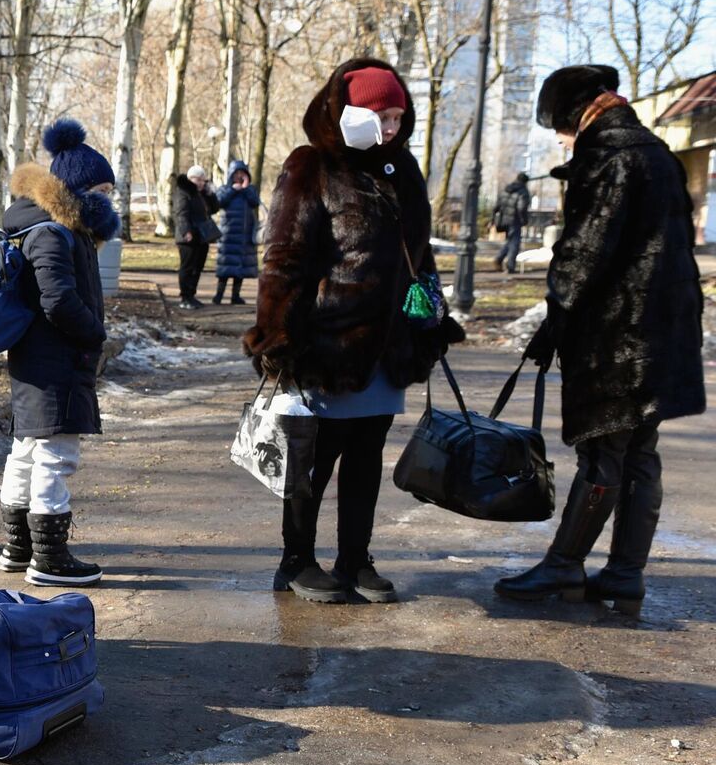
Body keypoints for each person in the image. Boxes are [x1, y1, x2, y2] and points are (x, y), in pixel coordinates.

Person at [243, 59, 464, 605]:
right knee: (314, 462)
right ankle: (296, 560)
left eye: (397, 118)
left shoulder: (404, 170)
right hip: (326, 344)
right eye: (379, 117)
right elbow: (284, 258)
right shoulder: (310, 167)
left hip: (387, 346)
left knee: (367, 459)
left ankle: (353, 559)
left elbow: (422, 258)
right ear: (348, 113)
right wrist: (276, 334)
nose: (390, 129)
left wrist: (432, 321)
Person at [494, 65, 706, 615]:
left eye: (559, 130)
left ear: (577, 116)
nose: (562, 141)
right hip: (663, 332)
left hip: (617, 335)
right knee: (640, 453)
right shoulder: (657, 153)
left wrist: (557, 317)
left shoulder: (607, 159)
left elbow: (585, 252)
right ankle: (624, 575)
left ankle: (564, 566)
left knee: (602, 453)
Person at [0, 120, 118, 586]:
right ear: (78, 190)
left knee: (27, 448)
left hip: (35, 359)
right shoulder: (52, 232)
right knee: (54, 454)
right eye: (102, 190)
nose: (108, 201)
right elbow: (58, 300)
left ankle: (18, 547)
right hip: (56, 360)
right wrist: (94, 335)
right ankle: (49, 557)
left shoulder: (44, 227)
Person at [170, 164, 221, 310]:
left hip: (202, 236)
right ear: (190, 178)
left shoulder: (202, 193)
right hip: (187, 237)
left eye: (202, 180)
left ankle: (191, 295)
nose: (200, 183)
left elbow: (215, 208)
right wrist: (186, 231)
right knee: (187, 267)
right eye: (197, 179)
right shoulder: (183, 192)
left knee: (198, 267)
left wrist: (210, 194)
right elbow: (181, 214)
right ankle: (185, 297)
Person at [214, 161, 262, 304]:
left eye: (243, 174)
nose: (240, 176)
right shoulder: (225, 189)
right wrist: (233, 190)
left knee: (240, 267)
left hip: (245, 236)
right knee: (225, 268)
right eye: (237, 174)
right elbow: (219, 202)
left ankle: (235, 295)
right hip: (228, 234)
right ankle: (218, 295)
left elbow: (255, 202)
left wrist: (246, 188)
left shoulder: (250, 191)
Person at [492, 172, 531, 273]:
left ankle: (499, 259)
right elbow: (521, 207)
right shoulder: (523, 191)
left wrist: (494, 219)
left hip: (503, 220)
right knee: (514, 243)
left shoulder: (507, 189)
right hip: (515, 220)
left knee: (510, 241)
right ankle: (510, 266)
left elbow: (497, 206)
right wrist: (524, 220)